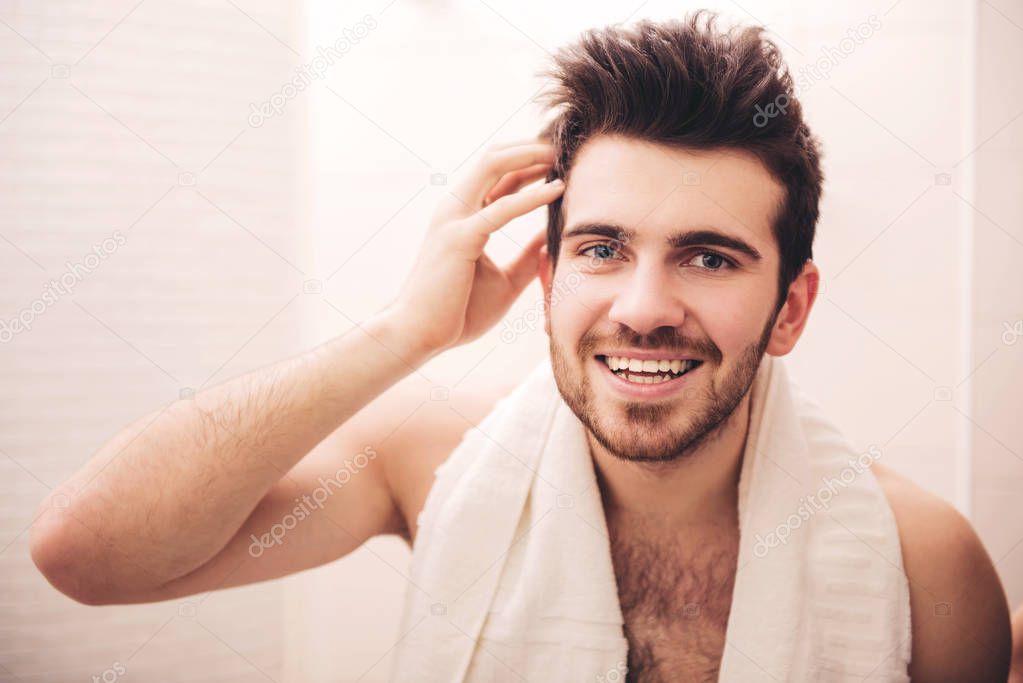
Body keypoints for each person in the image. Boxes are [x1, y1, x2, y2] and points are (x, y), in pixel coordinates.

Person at [31, 11, 1010, 682]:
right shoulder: (425, 463)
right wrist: (401, 334)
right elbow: (88, 554)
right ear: (546, 276)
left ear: (791, 308)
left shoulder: (926, 559)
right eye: (601, 247)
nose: (643, 305)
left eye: (707, 257)